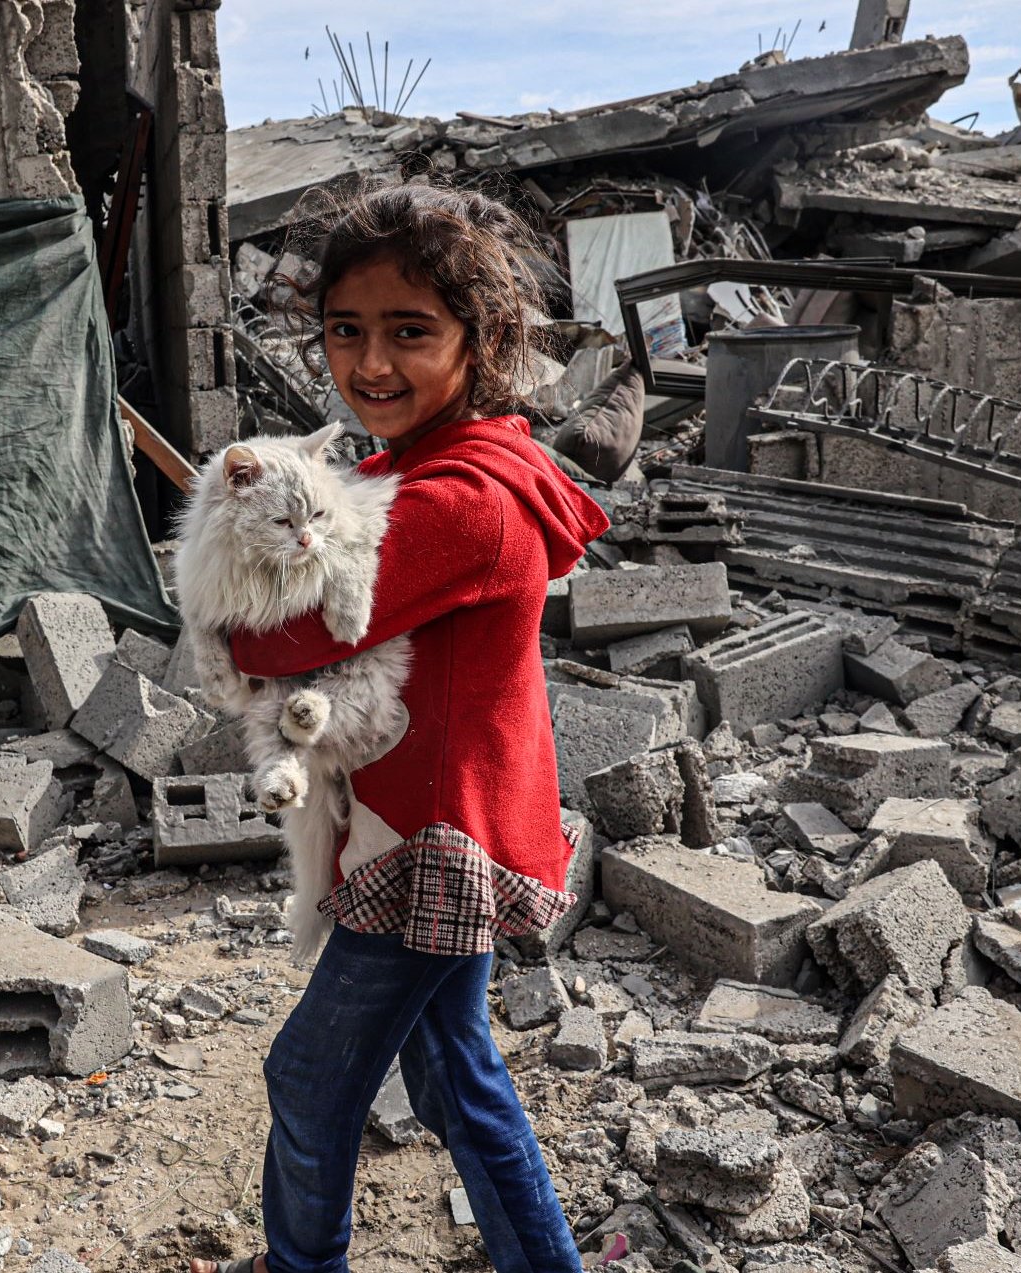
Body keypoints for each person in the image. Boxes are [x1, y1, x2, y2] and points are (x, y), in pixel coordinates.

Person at [190, 179, 610, 1273]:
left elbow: (280, 634)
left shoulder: (455, 502)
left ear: (483, 338)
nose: (369, 363)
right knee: (453, 1074)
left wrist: (218, 602)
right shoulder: (419, 465)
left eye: (409, 332)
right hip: (436, 817)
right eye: (345, 330)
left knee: (308, 1076)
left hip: (427, 846)